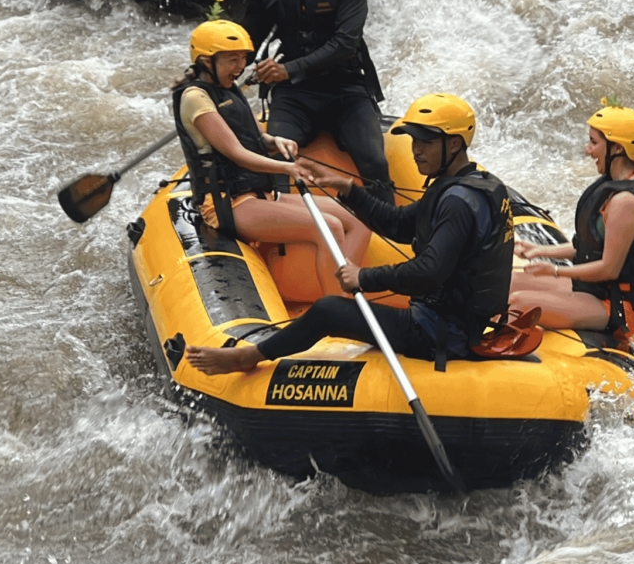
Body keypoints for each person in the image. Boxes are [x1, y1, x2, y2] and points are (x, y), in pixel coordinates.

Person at [187, 94, 514, 375]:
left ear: (454, 143)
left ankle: (248, 357)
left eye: (426, 142)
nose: (416, 150)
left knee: (329, 310)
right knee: (338, 306)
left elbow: (429, 272)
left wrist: (364, 277)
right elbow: (398, 224)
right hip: (455, 325)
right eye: (414, 141)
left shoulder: (456, 202)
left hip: (437, 333)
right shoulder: (473, 187)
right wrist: (347, 189)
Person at [174, 18, 371, 298]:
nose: (240, 67)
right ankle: (338, 312)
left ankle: (344, 295)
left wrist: (275, 141)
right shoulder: (195, 98)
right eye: (232, 60)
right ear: (206, 61)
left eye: (243, 58)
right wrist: (288, 167)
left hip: (259, 194)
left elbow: (256, 140)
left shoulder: (229, 89)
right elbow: (237, 153)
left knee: (359, 219)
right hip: (227, 203)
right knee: (329, 226)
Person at [239, 0, 391, 198]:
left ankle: (388, 226)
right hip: (296, 96)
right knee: (277, 156)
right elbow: (247, 43)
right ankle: (281, 228)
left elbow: (345, 45)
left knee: (374, 160)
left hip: (346, 91)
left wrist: (286, 70)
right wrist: (214, 70)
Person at [511, 105, 634, 346]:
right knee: (509, 283)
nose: (588, 150)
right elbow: (588, 250)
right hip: (596, 290)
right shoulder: (613, 188)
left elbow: (608, 269)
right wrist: (538, 250)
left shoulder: (626, 203)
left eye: (594, 142)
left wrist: (554, 270)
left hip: (615, 306)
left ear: (617, 148)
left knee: (519, 303)